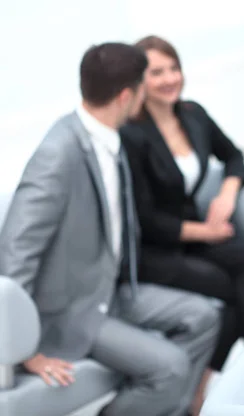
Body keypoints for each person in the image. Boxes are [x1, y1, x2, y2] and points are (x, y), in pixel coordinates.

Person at [0, 43, 221, 416]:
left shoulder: (108, 136)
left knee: (204, 316)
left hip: (114, 290)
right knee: (171, 367)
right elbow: (17, 252)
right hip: (71, 313)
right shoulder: (59, 153)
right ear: (125, 96)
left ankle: (166, 407)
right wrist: (23, 350)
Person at [120, 35, 244, 402]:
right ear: (140, 80)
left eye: (174, 68)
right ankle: (243, 383)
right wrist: (206, 230)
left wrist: (227, 192)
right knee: (231, 290)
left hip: (193, 236)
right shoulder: (131, 134)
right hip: (153, 249)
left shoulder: (193, 114)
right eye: (158, 72)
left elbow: (233, 155)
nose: (170, 78)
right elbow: (145, 219)